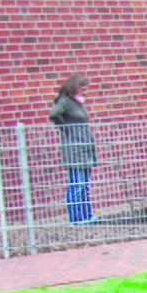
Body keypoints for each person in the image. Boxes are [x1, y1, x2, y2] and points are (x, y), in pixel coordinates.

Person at [50, 74, 98, 225]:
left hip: (85, 147)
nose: (85, 92)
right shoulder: (65, 102)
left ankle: (87, 215)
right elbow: (54, 114)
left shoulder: (78, 104)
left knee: (84, 186)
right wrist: (66, 128)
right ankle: (76, 218)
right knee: (77, 185)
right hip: (74, 149)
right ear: (74, 88)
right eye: (82, 89)